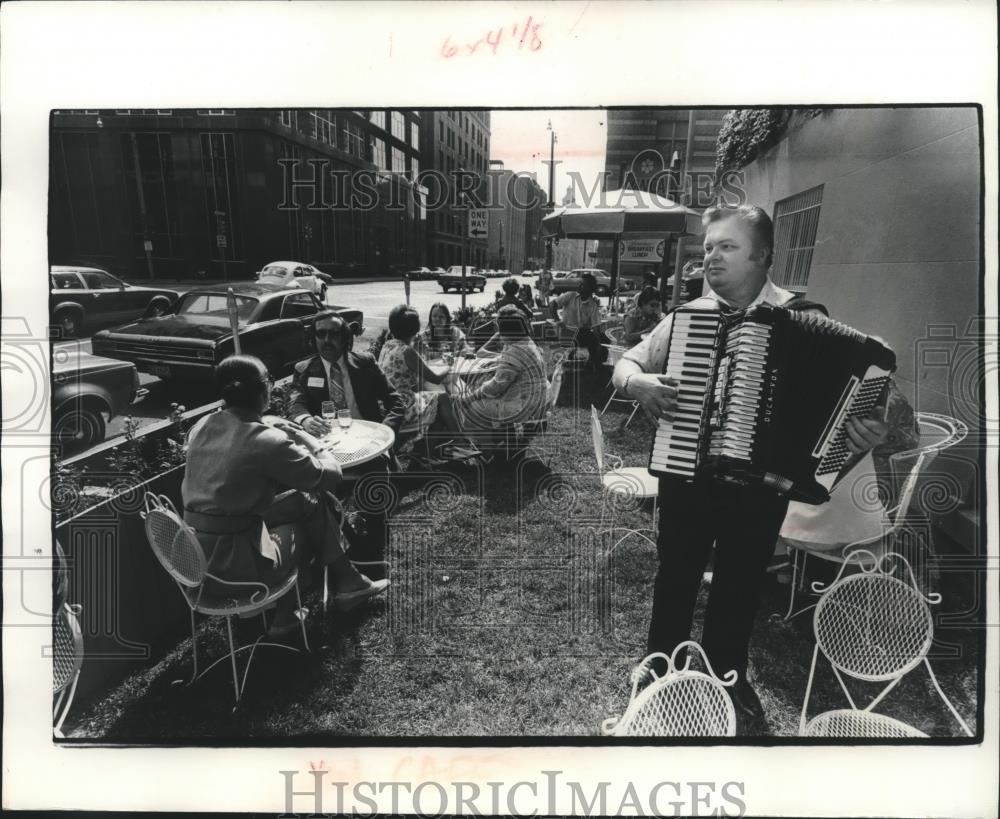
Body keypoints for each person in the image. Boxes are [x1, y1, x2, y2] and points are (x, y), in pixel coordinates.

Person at [611, 204, 891, 730]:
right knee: (675, 576)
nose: (710, 257)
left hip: (763, 487)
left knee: (740, 583)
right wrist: (637, 383)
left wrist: (864, 432)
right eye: (708, 246)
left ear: (762, 255)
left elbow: (862, 407)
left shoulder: (806, 318)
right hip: (685, 473)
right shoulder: (686, 316)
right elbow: (627, 362)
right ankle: (657, 676)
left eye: (727, 247)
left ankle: (726, 681)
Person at [182, 355, 388, 631]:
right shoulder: (266, 441)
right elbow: (330, 476)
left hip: (194, 560)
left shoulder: (202, 426)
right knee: (304, 514)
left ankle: (332, 592)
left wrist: (268, 422)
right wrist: (308, 439)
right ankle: (324, 596)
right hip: (236, 570)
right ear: (263, 390)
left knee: (303, 501)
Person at [288, 312, 406, 578]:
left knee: (376, 480)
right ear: (313, 338)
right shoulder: (305, 370)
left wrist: (385, 433)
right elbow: (295, 403)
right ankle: (345, 543)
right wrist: (305, 419)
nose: (327, 340)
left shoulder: (365, 363)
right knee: (313, 489)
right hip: (329, 451)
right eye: (321, 334)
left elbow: (395, 402)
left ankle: (375, 547)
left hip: (368, 445)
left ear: (344, 338)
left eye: (333, 334)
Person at [451, 306, 550, 447]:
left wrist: (468, 398)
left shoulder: (515, 350)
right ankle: (502, 441)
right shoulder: (527, 342)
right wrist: (498, 361)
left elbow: (495, 387)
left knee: (472, 406)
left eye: (499, 329)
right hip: (539, 400)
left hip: (523, 406)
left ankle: (485, 450)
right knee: (480, 392)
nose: (498, 333)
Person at [377, 304, 470, 445]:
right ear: (415, 328)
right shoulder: (406, 350)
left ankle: (431, 447)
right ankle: (459, 441)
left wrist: (419, 351)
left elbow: (412, 367)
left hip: (387, 403)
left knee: (435, 398)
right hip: (402, 405)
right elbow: (436, 378)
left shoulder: (388, 345)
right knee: (443, 398)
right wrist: (449, 365)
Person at [549, 271, 612, 365]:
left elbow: (596, 328)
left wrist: (598, 342)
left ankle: (593, 364)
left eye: (583, 284)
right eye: (580, 283)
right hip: (567, 331)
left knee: (604, 340)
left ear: (590, 288)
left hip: (582, 333)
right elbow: (552, 304)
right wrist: (557, 319)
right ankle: (591, 363)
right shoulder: (570, 295)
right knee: (595, 341)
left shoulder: (592, 305)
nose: (580, 285)